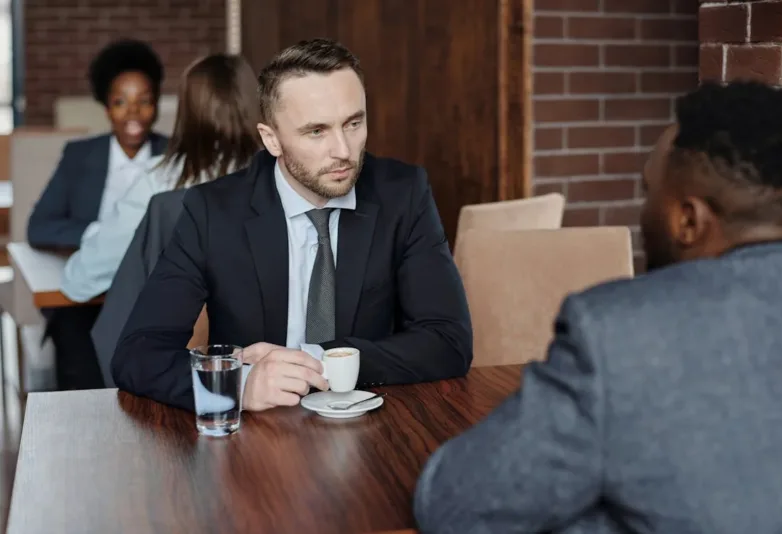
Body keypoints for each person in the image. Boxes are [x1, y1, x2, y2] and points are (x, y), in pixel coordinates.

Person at [414, 80, 782, 534]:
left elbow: (455, 502)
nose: (643, 210)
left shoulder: (621, 335)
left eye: (648, 190)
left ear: (688, 220)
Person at [112, 38, 472, 412]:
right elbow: (138, 354)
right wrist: (239, 383)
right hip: (255, 445)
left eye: (353, 123)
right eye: (316, 131)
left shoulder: (404, 194)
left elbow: (448, 342)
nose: (344, 151)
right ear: (272, 139)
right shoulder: (213, 211)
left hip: (372, 429)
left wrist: (318, 362)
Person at [85, 54, 262, 387]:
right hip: (272, 360)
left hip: (181, 369)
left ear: (187, 112)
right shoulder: (280, 180)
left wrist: (94, 232)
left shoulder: (159, 183)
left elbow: (81, 278)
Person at [27, 38, 166, 390]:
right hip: (87, 293)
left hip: (156, 293)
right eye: (120, 102)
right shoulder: (80, 156)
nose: (133, 113)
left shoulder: (175, 153)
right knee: (80, 363)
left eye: (144, 101)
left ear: (156, 106)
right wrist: (98, 236)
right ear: (106, 107)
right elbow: (39, 226)